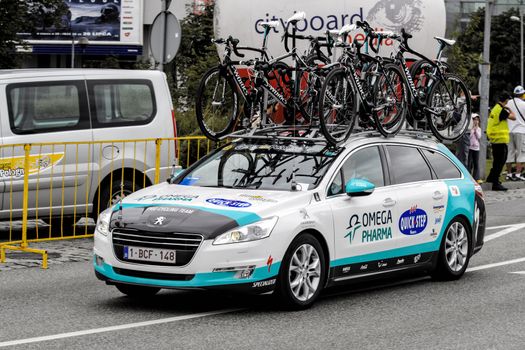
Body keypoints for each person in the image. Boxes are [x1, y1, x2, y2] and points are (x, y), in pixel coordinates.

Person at [486, 92, 516, 191]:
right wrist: (510, 109)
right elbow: (513, 117)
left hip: (496, 140)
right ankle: (495, 183)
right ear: (506, 100)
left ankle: (491, 178)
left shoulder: (496, 108)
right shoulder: (501, 110)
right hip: (500, 140)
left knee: (497, 162)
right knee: (500, 162)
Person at [505, 85, 525, 181]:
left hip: (509, 130)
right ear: (522, 94)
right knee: (520, 153)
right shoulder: (524, 104)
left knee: (510, 153)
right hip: (521, 131)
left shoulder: (509, 103)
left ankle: (509, 174)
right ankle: (518, 174)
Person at [468, 113, 481, 182]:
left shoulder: (479, 129)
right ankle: (469, 177)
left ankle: (476, 178)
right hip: (470, 148)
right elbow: (469, 136)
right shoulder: (470, 129)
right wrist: (473, 130)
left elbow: (479, 137)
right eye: (474, 119)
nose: (476, 121)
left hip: (476, 148)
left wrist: (476, 130)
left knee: (476, 163)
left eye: (477, 120)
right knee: (469, 163)